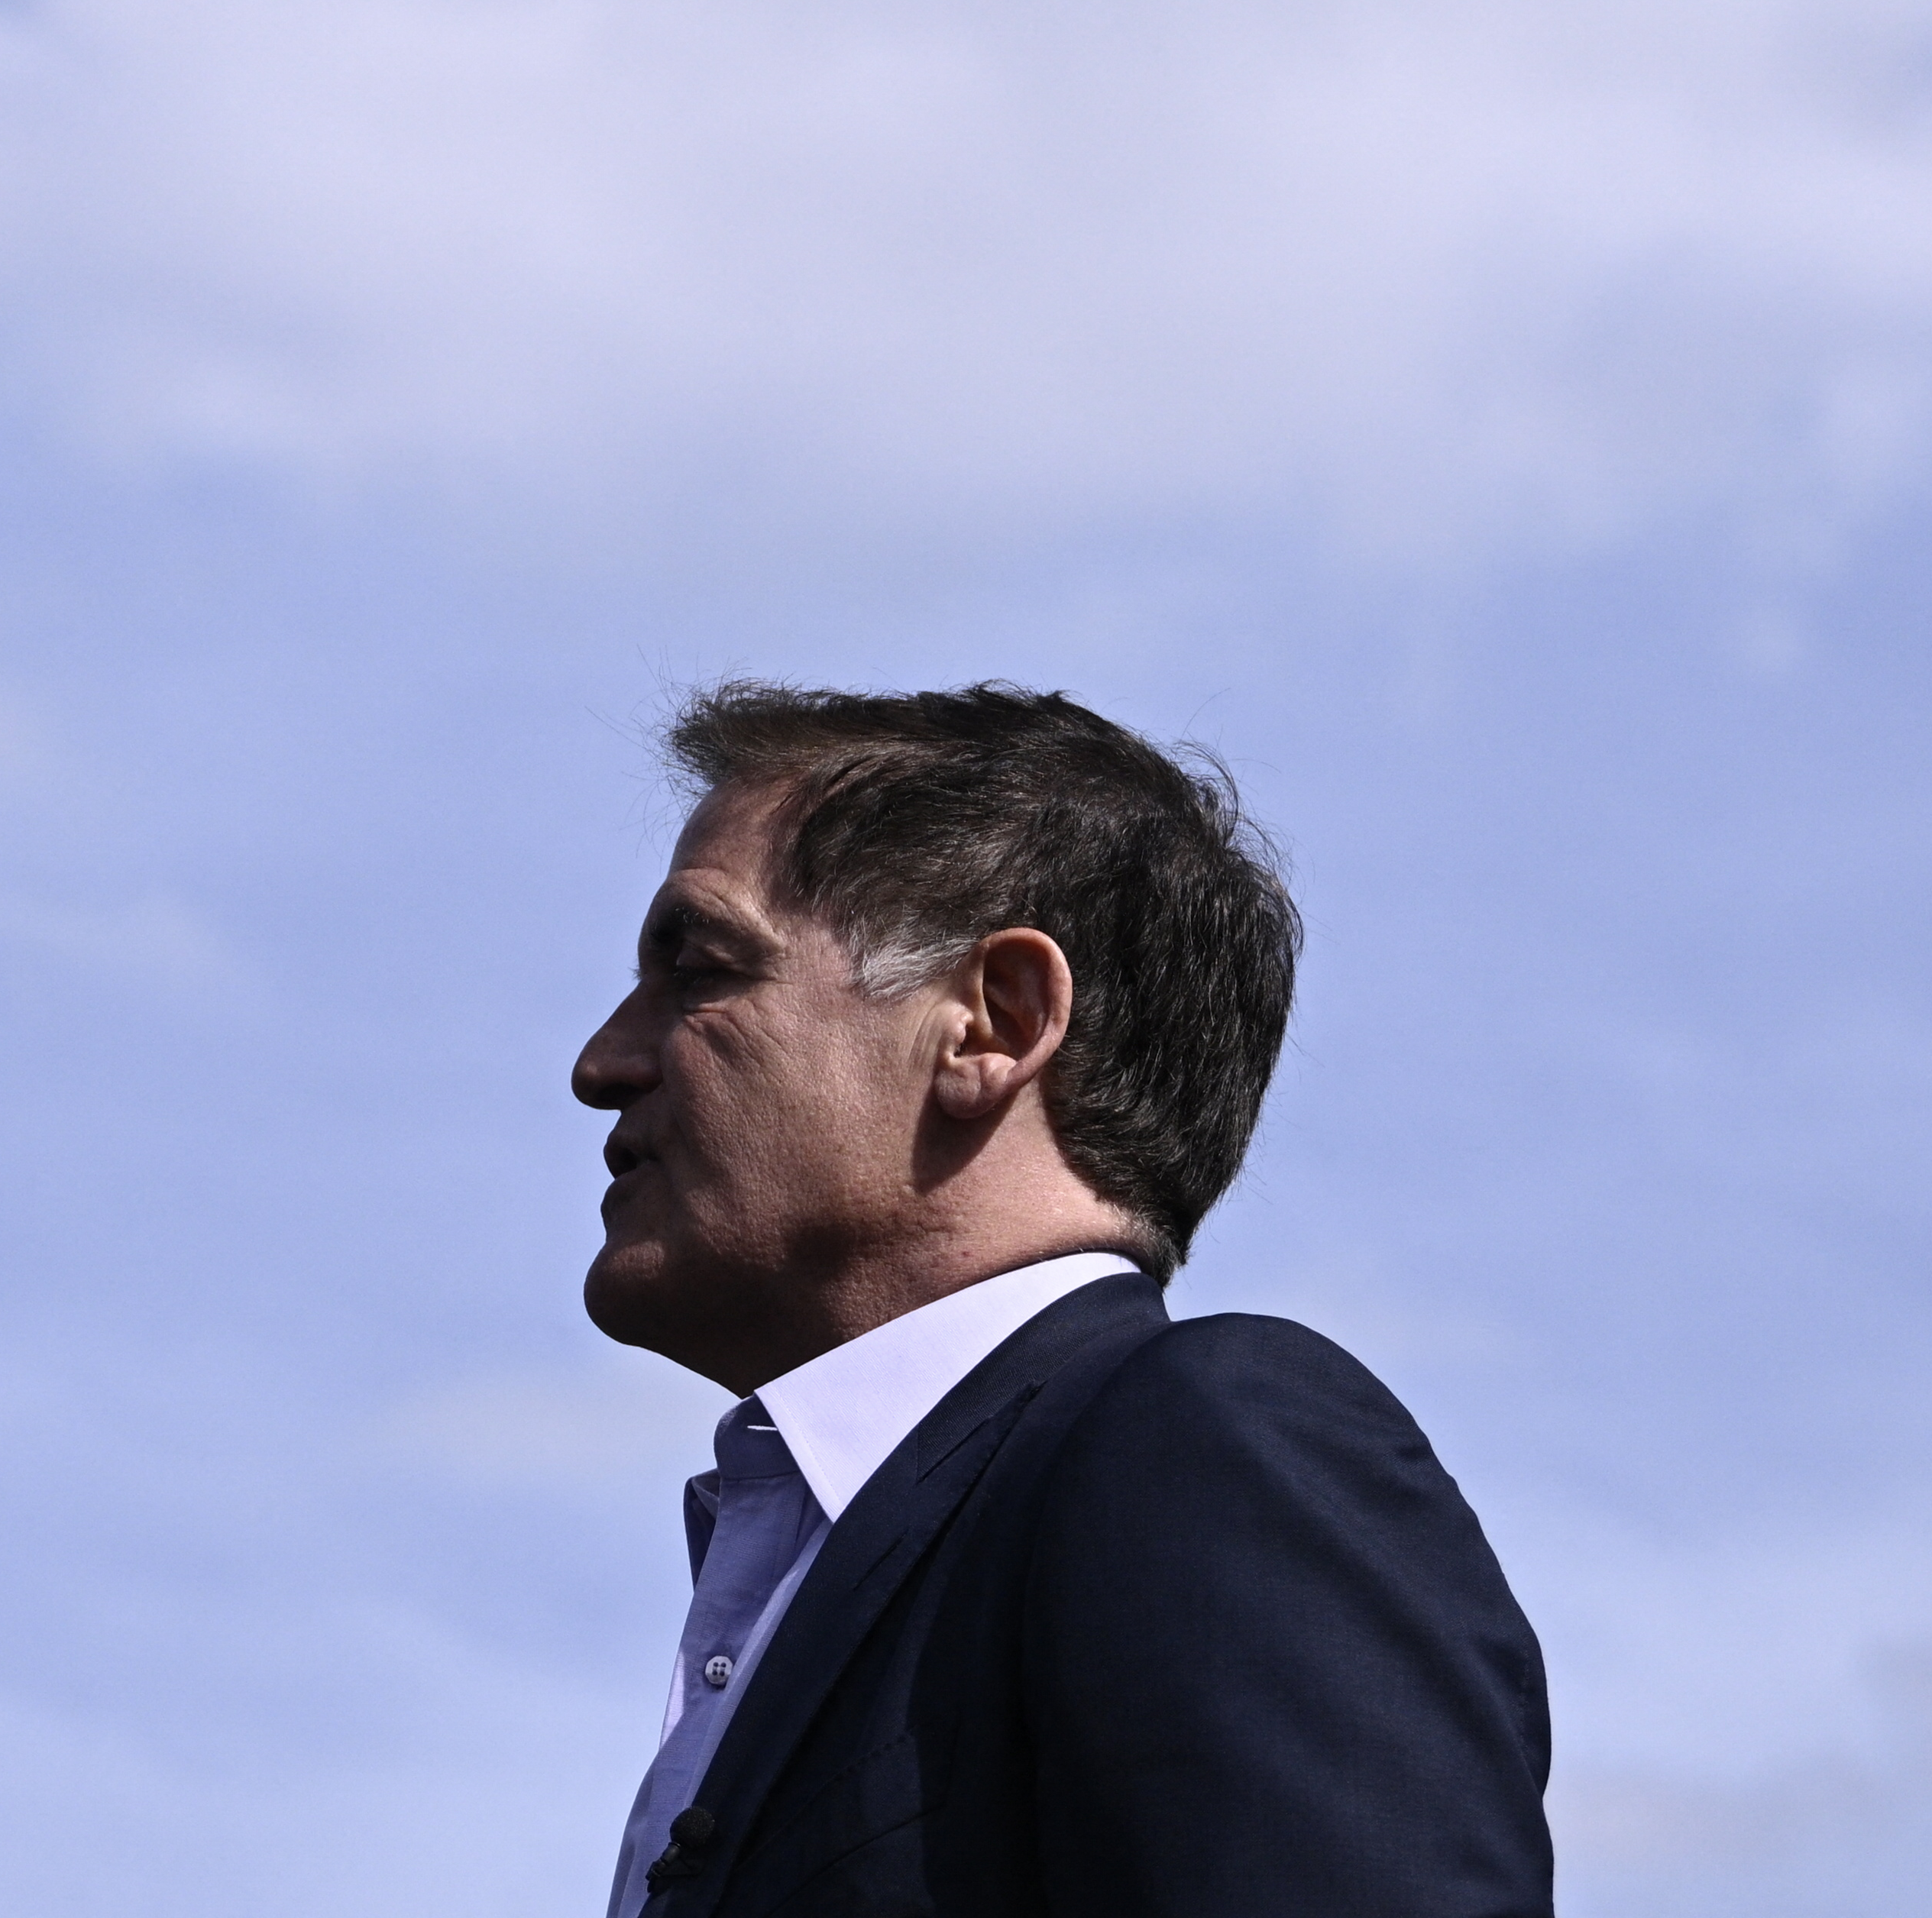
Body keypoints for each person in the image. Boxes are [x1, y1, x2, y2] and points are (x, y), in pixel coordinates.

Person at [571, 681, 1552, 1918]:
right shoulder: (880, 1543)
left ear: (994, 1023)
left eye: (701, 969)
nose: (601, 1062)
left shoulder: (1196, 1449)